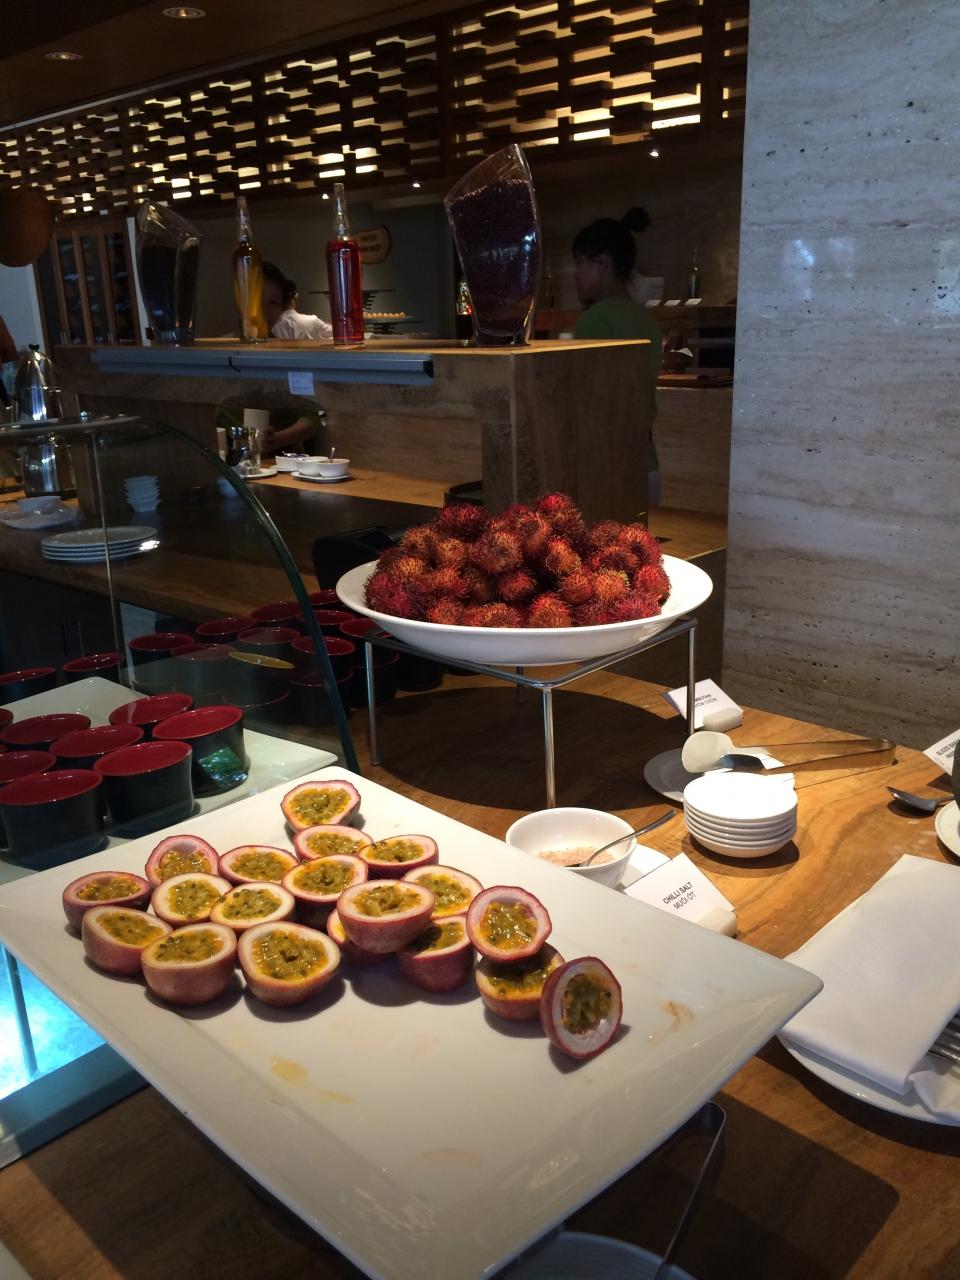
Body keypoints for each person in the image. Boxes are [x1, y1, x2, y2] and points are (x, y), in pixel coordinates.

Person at [571, 207, 662, 504]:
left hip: (606, 467)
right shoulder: (646, 320)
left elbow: (589, 406)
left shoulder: (593, 320)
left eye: (580, 263)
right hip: (646, 462)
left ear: (602, 263)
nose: (575, 274)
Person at [262, 262, 333, 341]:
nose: (265, 311)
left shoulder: (275, 337)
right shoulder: (311, 321)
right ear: (295, 298)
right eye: (257, 301)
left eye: (273, 302)